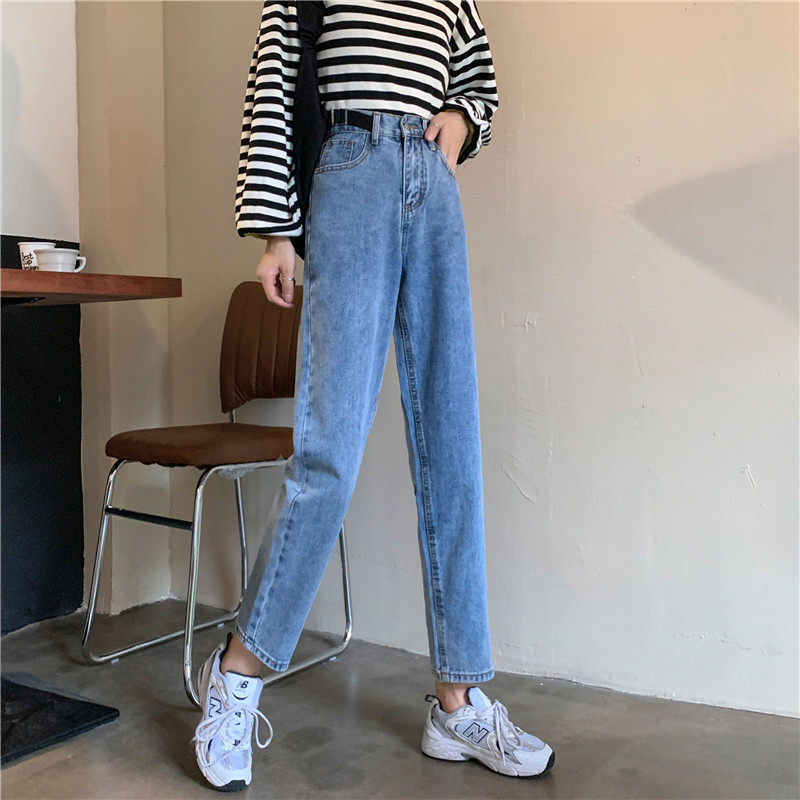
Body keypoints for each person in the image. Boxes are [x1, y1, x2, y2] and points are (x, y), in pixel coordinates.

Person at [192, 1, 555, 790]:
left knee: (451, 443)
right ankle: (237, 670)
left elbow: (477, 75)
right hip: (349, 170)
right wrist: (278, 233)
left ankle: (458, 702)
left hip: (431, 181)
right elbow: (276, 79)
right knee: (330, 451)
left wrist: (462, 120)